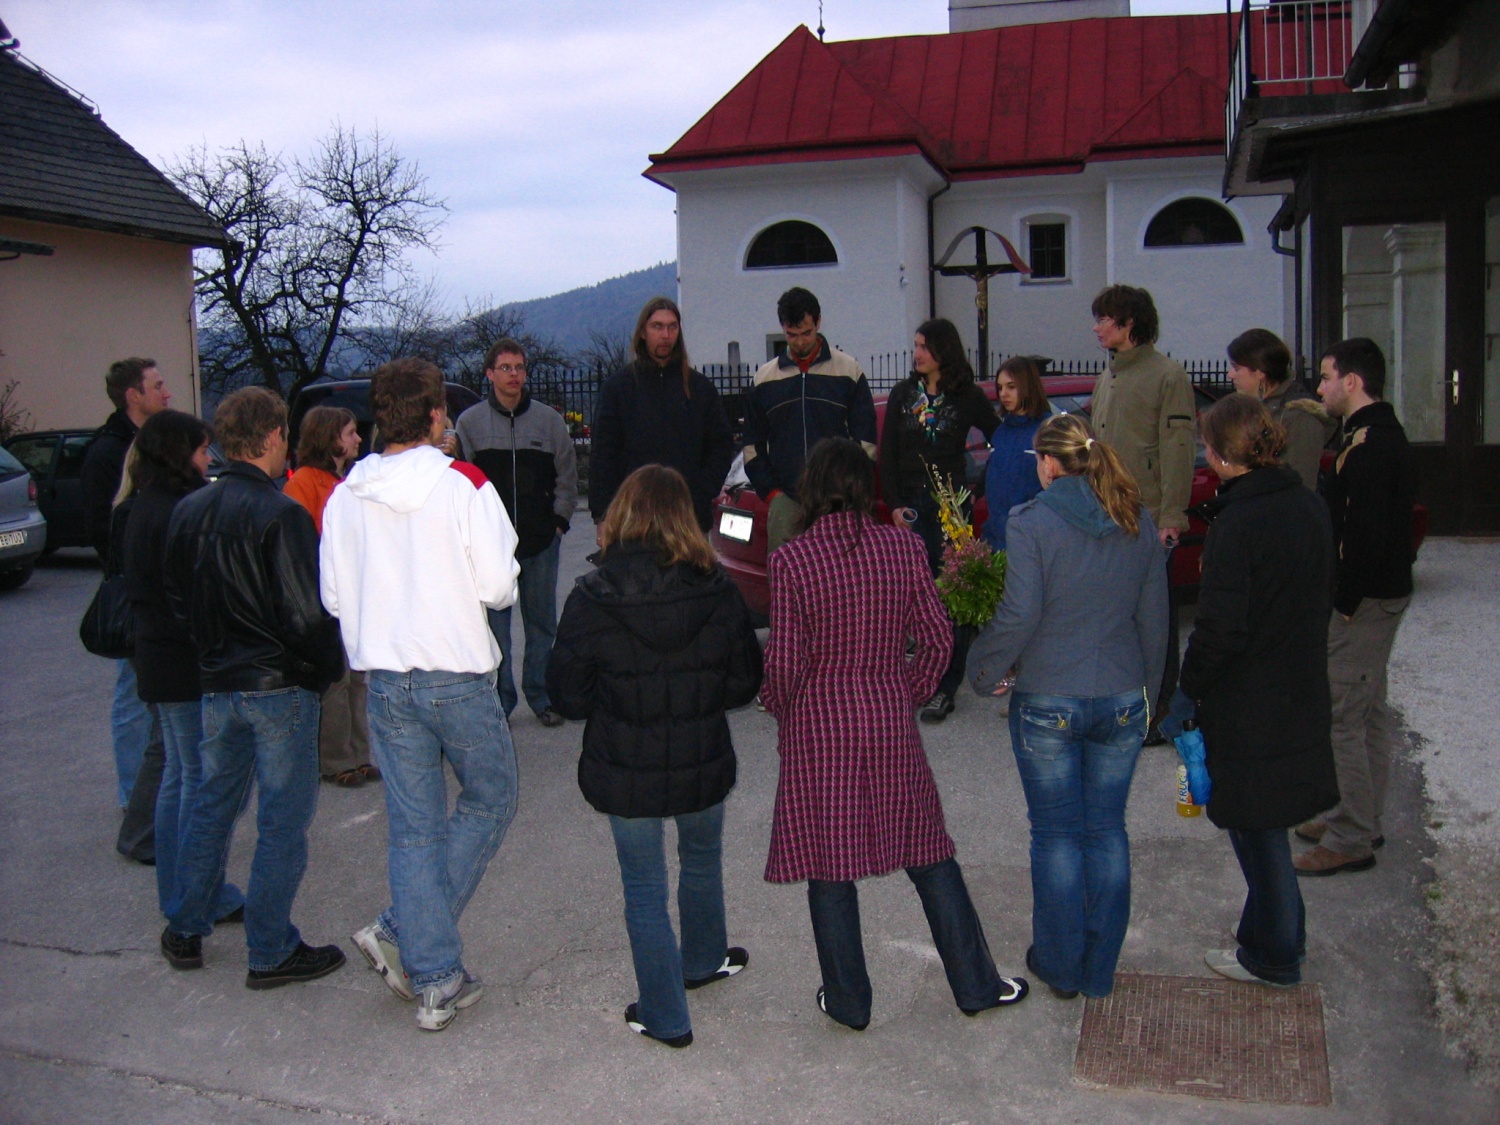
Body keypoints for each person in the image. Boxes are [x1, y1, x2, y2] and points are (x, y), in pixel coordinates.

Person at [762, 438, 1028, 1030]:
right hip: (887, 716)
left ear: (813, 488)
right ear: (865, 486)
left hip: (818, 724)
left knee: (829, 866)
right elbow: (938, 637)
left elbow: (783, 663)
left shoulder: (793, 560)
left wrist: (780, 708)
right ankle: (978, 986)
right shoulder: (903, 548)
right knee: (929, 851)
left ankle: (850, 1002)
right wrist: (903, 693)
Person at [321, 358, 523, 1031]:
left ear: (381, 416)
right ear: (437, 413)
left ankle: (432, 973)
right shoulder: (462, 483)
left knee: (414, 828)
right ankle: (408, 936)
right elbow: (498, 587)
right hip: (455, 676)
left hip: (385, 680)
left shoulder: (348, 494)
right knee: (491, 797)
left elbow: (332, 596)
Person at [547, 464, 763, 1048]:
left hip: (625, 765)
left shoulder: (592, 595)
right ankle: (703, 959)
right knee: (700, 859)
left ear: (622, 515)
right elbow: (744, 683)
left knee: (644, 887)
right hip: (701, 756)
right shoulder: (717, 587)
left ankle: (667, 1013)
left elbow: (566, 695)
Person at [968, 413, 1168, 1000]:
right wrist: (1148, 699)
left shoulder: (1031, 522)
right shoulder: (1137, 519)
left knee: (1057, 835)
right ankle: (1099, 966)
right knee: (1106, 830)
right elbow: (1155, 624)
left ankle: (1059, 964)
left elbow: (1020, 614)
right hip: (1122, 697)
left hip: (1050, 698)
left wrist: (982, 669)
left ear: (1050, 463)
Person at [160, 387, 347, 990]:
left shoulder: (190, 509)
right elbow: (305, 614)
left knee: (212, 806)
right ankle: (269, 947)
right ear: (272, 438)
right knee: (281, 822)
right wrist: (323, 671)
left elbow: (176, 602)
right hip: (278, 685)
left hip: (218, 685)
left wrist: (213, 655)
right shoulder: (280, 514)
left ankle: (185, 925)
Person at [1179, 394, 1338, 987]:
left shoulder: (1237, 523)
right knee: (1262, 826)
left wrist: (1187, 689)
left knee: (1258, 833)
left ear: (1220, 456)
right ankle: (1265, 938)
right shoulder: (1306, 504)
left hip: (1250, 700)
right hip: (1297, 682)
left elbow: (1220, 629)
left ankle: (1276, 955)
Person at [1293, 338, 1416, 876]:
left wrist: (1343, 602)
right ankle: (1357, 813)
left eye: (1325, 377)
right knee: (1366, 713)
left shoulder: (1372, 445)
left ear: (1352, 381)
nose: (1320, 388)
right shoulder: (1373, 435)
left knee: (1344, 716)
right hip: (1373, 597)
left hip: (1363, 602)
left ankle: (1351, 837)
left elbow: (1365, 534)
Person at [120, 410, 246, 927]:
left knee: (178, 777)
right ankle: (197, 897)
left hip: (155, 658)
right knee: (198, 783)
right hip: (182, 662)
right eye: (200, 451)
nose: (206, 461)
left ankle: (178, 890)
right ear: (178, 455)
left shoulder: (136, 507)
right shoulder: (177, 511)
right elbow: (190, 596)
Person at [879, 317, 999, 723]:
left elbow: (1001, 438)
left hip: (951, 510)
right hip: (910, 508)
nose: (917, 354)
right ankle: (916, 679)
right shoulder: (901, 394)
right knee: (914, 598)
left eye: (924, 347)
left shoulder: (966, 396)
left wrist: (977, 486)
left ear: (943, 350)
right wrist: (893, 504)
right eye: (914, 345)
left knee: (952, 595)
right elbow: (888, 453)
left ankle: (946, 686)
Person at [1087, 285, 1194, 740]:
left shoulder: (1167, 375)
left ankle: (1159, 711)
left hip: (1147, 516)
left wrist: (1171, 515)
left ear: (1129, 323)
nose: (1097, 328)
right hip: (1106, 516)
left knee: (1154, 621)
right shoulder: (1107, 376)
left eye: (1105, 320)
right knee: (1114, 619)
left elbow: (1178, 448)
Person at [455, 337, 578, 727]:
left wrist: (559, 522)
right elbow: (462, 481)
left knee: (542, 623)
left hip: (541, 541)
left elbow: (567, 475)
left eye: (520, 368)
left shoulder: (549, 421)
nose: (514, 375)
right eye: (505, 368)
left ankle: (541, 695)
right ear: (489, 373)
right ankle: (501, 702)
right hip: (491, 548)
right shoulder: (470, 424)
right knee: (496, 631)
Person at [81, 357, 171, 855]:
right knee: (132, 699)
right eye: (157, 385)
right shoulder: (107, 450)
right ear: (132, 395)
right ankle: (132, 796)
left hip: (144, 593)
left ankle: (144, 797)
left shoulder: (155, 442)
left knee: (143, 700)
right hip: (133, 595)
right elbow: (103, 525)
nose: (167, 392)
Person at [284, 405, 379, 786]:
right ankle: (336, 760)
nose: (358, 439)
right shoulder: (305, 483)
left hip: (353, 594)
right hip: (324, 597)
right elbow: (301, 547)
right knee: (337, 681)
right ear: (329, 438)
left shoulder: (345, 481)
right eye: (350, 432)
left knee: (357, 678)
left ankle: (358, 753)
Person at [743, 287, 878, 553]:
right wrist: (772, 494)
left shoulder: (848, 372)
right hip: (785, 501)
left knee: (839, 583)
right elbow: (751, 446)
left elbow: (867, 441)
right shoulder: (764, 380)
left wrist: (850, 492)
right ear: (783, 328)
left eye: (806, 333)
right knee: (786, 582)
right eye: (792, 335)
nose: (800, 342)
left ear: (818, 322)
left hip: (839, 503)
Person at [590, 298, 735, 532]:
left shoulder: (700, 389)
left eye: (672, 326)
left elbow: (720, 446)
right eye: (657, 326)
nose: (665, 334)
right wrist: (603, 514)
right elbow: (603, 456)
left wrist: (699, 492)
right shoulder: (618, 389)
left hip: (687, 518)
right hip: (632, 519)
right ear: (643, 332)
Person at [1226, 328, 1337, 491]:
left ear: (1260, 372)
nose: (1230, 375)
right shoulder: (1264, 410)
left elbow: (1297, 487)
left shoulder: (1298, 418)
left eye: (1236, 368)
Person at [979, 355, 1050, 553]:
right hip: (997, 539)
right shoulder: (1001, 432)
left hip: (1032, 540)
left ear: (1027, 386)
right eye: (1000, 388)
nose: (1003, 394)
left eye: (1011, 386)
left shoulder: (1047, 431)